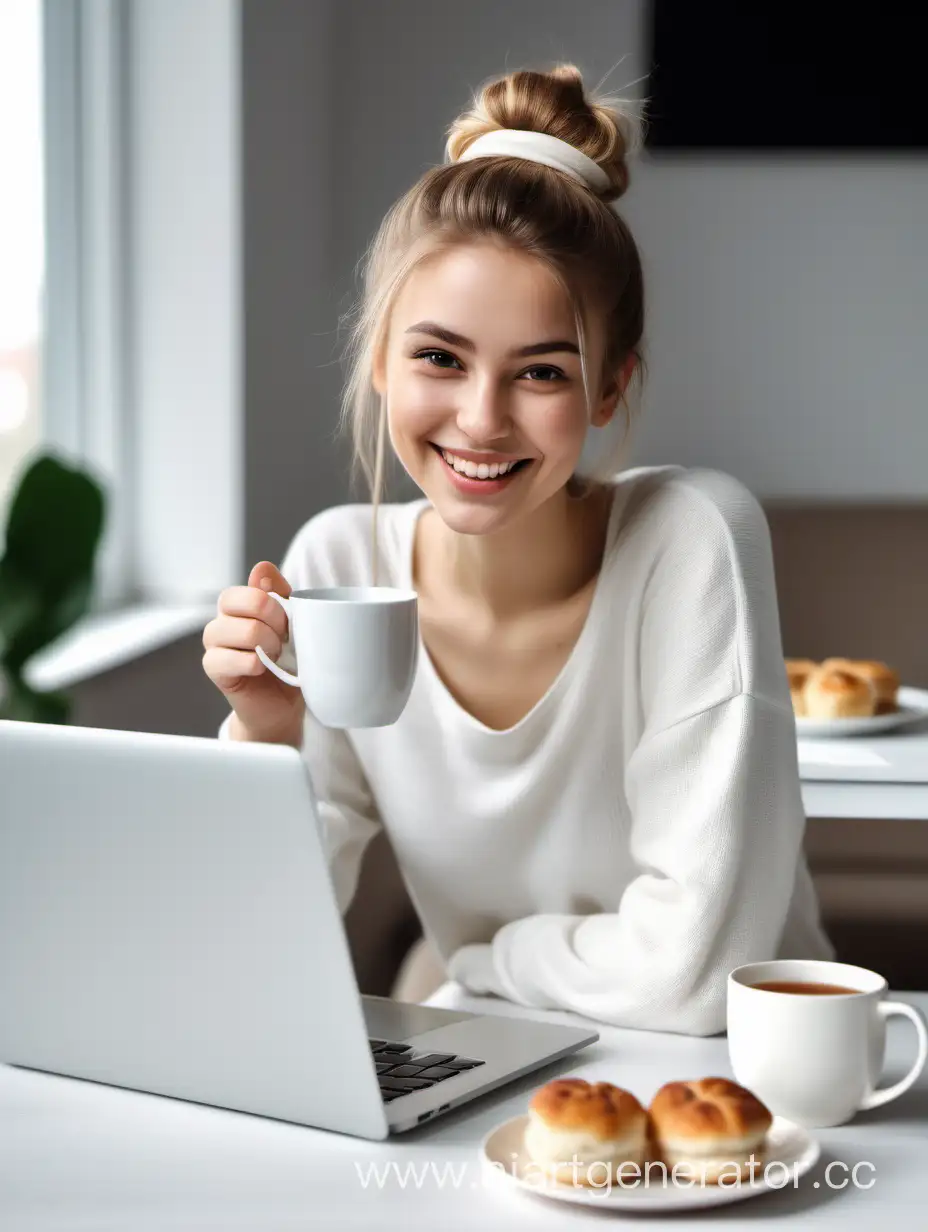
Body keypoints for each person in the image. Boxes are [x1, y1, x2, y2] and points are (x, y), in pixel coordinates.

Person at [202, 64, 833, 1036]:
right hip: (494, 1050)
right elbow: (252, 940)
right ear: (379, 359)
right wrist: (264, 735)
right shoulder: (336, 562)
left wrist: (484, 959)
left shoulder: (689, 538)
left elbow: (699, 975)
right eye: (438, 358)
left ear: (610, 390)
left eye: (541, 370)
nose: (481, 419)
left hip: (723, 1082)